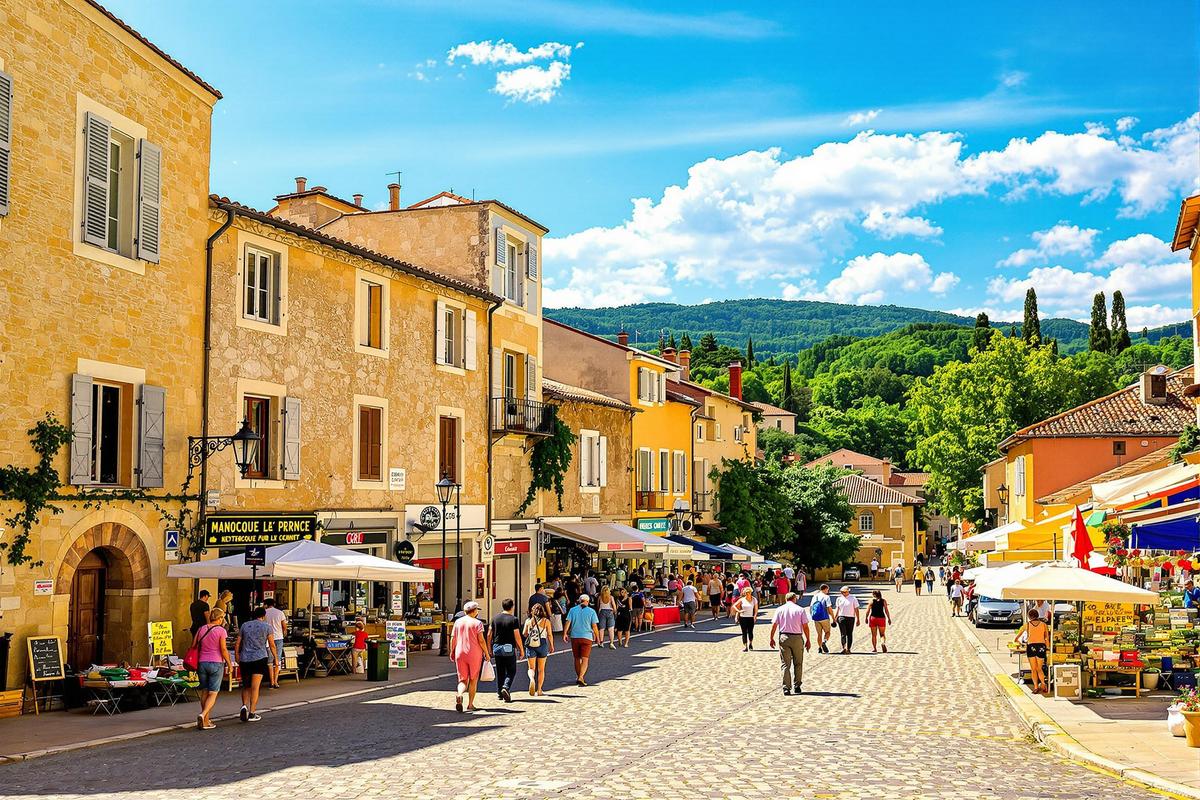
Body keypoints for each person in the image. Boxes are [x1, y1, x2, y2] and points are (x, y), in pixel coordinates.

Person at [234, 606, 276, 723]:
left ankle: (244, 706)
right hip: (259, 658)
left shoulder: (244, 625)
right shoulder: (267, 627)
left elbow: (238, 643)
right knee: (255, 687)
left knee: (246, 685)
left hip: (245, 658)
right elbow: (272, 645)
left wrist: (237, 655)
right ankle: (252, 713)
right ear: (263, 616)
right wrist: (276, 658)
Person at [192, 607, 231, 730]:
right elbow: (223, 649)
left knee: (204, 691)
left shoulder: (201, 629)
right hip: (216, 662)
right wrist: (229, 663)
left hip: (202, 662)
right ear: (219, 618)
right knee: (213, 693)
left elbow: (193, 645)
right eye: (222, 618)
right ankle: (203, 715)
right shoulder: (221, 631)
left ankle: (206, 720)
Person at [769, 592, 812, 695]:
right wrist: (808, 639)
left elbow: (774, 625)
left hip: (784, 637)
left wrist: (771, 638)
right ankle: (797, 685)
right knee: (798, 663)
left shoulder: (779, 609)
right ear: (794, 599)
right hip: (797, 637)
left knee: (785, 664)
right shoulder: (800, 610)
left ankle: (786, 688)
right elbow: (805, 626)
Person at [449, 601, 487, 712]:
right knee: (473, 679)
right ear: (474, 611)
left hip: (460, 653)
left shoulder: (458, 622)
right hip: (474, 654)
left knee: (462, 680)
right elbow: (481, 640)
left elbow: (453, 638)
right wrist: (487, 653)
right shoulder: (477, 623)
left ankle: (460, 694)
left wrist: (452, 651)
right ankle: (470, 704)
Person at [487, 599, 525, 703]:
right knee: (511, 670)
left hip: (497, 647)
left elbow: (489, 634)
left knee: (500, 671)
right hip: (509, 648)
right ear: (512, 607)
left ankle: (499, 693)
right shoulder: (514, 619)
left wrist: (489, 648)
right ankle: (506, 686)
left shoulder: (494, 618)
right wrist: (521, 649)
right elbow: (517, 635)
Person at [564, 594, 601, 686]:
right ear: (587, 601)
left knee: (577, 658)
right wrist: (598, 637)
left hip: (575, 636)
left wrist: (564, 633)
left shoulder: (572, 610)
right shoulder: (591, 611)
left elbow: (568, 622)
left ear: (579, 601)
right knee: (585, 659)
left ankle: (579, 676)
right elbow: (594, 626)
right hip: (587, 637)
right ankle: (581, 677)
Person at [1015, 609, 1051, 694]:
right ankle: (1043, 684)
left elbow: (1017, 637)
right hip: (1041, 647)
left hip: (1031, 646)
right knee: (1039, 668)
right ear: (1037, 615)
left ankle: (1035, 687)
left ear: (1029, 616)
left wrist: (1020, 642)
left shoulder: (1027, 625)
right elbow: (1046, 637)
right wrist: (1048, 647)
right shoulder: (1044, 625)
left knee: (1033, 669)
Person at [523, 603, 554, 696]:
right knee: (541, 669)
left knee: (531, 668)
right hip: (542, 644)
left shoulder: (529, 621)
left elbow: (524, 633)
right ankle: (539, 690)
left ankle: (532, 679)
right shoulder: (546, 621)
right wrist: (551, 645)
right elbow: (549, 634)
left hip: (531, 644)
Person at [263, 598, 288, 688]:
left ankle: (271, 681)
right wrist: (284, 635)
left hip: (268, 639)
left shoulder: (264, 613)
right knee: (277, 659)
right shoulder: (280, 613)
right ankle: (276, 681)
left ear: (266, 605)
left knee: (270, 661)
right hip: (278, 638)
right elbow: (284, 627)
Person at [834, 586, 861, 654]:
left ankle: (848, 648)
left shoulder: (853, 598)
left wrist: (858, 619)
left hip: (851, 617)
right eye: (842, 592)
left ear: (848, 591)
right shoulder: (839, 599)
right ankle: (844, 648)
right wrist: (834, 618)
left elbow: (856, 609)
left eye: (845, 592)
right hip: (841, 617)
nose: (843, 593)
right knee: (843, 633)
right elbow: (837, 609)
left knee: (849, 634)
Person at [731, 587, 759, 651]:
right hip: (743, 618)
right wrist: (739, 611)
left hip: (750, 617)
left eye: (749, 592)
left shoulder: (754, 600)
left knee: (750, 632)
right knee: (744, 632)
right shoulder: (742, 599)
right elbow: (734, 606)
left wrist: (755, 616)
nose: (747, 594)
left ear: (751, 592)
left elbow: (756, 609)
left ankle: (750, 643)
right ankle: (745, 646)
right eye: (746, 592)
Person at [808, 584, 833, 654]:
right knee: (827, 632)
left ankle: (819, 648)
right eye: (828, 589)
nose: (828, 591)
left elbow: (811, 607)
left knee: (819, 634)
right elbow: (829, 608)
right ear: (825, 589)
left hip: (816, 618)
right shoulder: (826, 597)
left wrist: (812, 616)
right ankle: (824, 642)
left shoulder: (815, 596)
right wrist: (833, 617)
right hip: (824, 617)